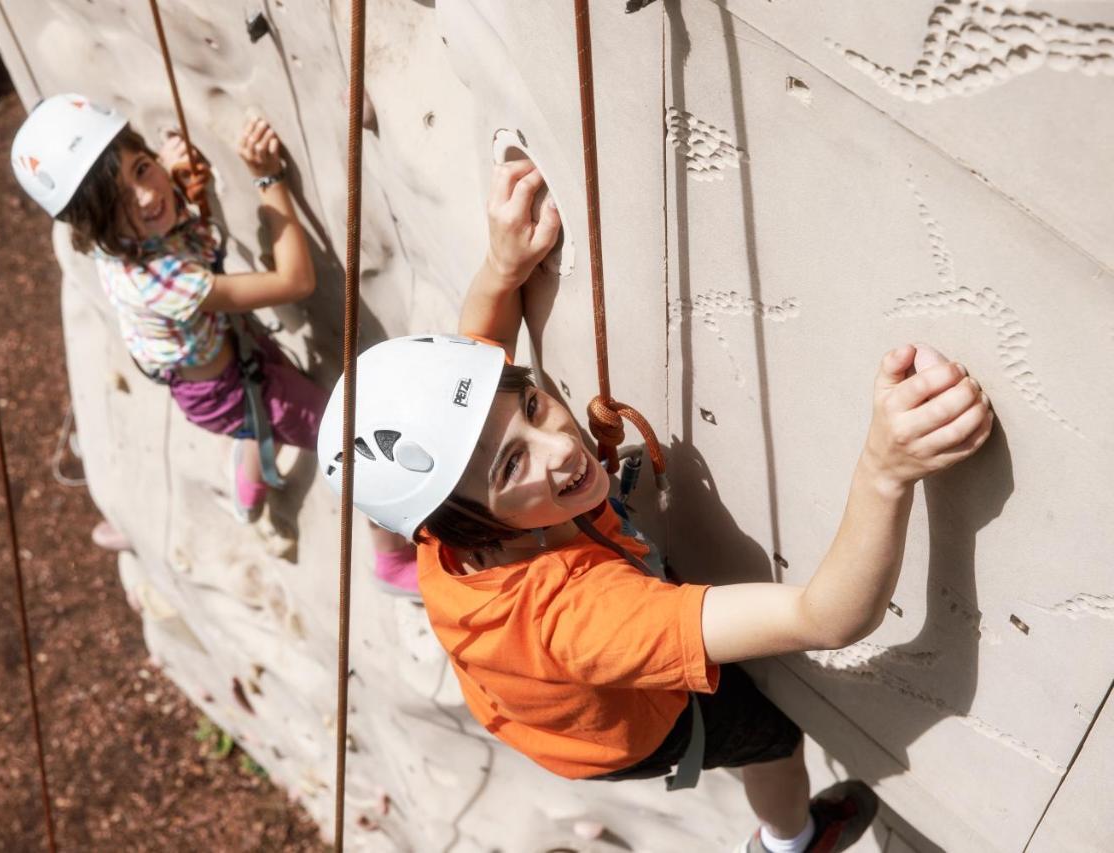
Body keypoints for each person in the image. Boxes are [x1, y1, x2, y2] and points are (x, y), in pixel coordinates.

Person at [317, 159, 995, 851]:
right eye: (513, 462)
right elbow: (826, 616)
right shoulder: (579, 618)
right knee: (771, 739)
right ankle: (788, 839)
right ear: (459, 521)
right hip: (626, 729)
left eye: (530, 405)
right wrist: (886, 470)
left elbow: (482, 352)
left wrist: (500, 267)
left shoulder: (446, 504)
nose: (558, 446)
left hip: (529, 689)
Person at [11, 94, 418, 590]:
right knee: (348, 441)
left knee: (258, 419)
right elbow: (295, 282)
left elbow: (157, 210)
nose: (144, 196)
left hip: (220, 356)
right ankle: (391, 563)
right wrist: (267, 177)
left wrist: (172, 171)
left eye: (141, 169)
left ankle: (251, 480)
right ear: (96, 224)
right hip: (226, 387)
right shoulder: (160, 279)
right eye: (120, 203)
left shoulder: (117, 241)